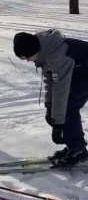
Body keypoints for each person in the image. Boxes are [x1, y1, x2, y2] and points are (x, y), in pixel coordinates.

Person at [13, 29, 88, 168]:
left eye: (27, 57)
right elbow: (50, 80)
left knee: (69, 106)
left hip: (84, 73)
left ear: (33, 49)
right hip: (79, 72)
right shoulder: (46, 51)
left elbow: (60, 90)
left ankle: (78, 149)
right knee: (64, 107)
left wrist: (58, 124)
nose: (28, 60)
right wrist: (49, 106)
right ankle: (74, 145)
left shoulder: (57, 56)